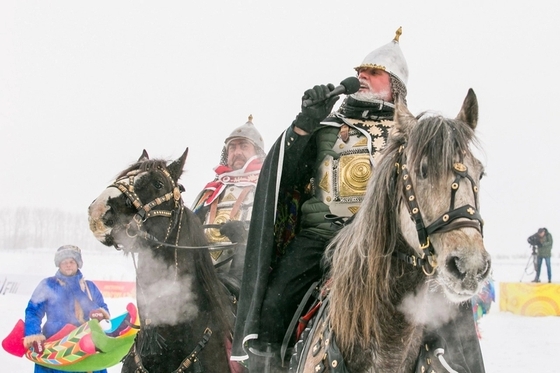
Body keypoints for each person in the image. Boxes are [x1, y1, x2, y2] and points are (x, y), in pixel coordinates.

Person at [231, 28, 486, 373]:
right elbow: (284, 176)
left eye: (373, 72)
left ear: (395, 85)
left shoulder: (414, 137)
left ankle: (456, 363)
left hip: (385, 243)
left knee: (444, 301)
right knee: (277, 303)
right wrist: (302, 127)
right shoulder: (326, 124)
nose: (362, 76)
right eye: (359, 73)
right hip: (321, 239)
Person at [192, 115, 266, 280]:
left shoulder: (266, 184)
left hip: (247, 272)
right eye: (232, 147)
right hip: (203, 271)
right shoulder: (212, 189)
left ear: (257, 152)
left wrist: (244, 236)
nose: (237, 152)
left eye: (244, 146)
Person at [23, 245, 110, 373]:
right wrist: (34, 335)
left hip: (85, 346)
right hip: (54, 347)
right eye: (64, 262)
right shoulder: (47, 285)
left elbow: (103, 311)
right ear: (59, 264)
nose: (68, 265)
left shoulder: (89, 287)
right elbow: (33, 312)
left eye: (71, 261)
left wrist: (98, 313)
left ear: (78, 264)